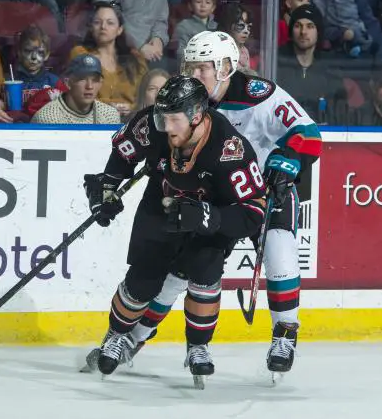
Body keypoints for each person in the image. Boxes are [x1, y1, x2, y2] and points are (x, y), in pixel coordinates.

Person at [110, 31, 323, 376]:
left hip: (261, 190)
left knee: (279, 247)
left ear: (225, 67)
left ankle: (285, 331)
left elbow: (308, 134)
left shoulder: (258, 95)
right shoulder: (187, 98)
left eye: (202, 69)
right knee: (179, 270)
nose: (193, 76)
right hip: (207, 196)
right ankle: (135, 336)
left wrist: (287, 161)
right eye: (189, 67)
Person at [82, 75, 266, 386]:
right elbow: (124, 153)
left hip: (212, 215)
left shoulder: (229, 149)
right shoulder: (153, 124)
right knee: (142, 279)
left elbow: (254, 211)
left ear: (197, 115)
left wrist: (211, 218)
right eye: (161, 117)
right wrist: (108, 187)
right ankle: (116, 336)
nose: (165, 126)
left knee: (205, 274)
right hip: (161, 207)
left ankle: (198, 346)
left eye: (173, 119)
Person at [69, 0, 147, 118]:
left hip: (131, 122)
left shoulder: (135, 59)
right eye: (97, 22)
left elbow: (146, 95)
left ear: (119, 29)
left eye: (110, 23)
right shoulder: (80, 55)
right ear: (91, 27)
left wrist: (133, 108)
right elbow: (76, 94)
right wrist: (107, 106)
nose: (103, 27)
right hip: (92, 120)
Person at [31, 54, 120, 124]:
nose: (89, 86)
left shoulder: (110, 116)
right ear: (68, 83)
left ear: (101, 83)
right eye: (82, 79)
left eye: (95, 80)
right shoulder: (48, 118)